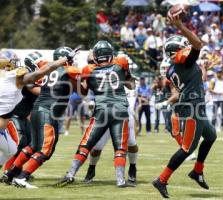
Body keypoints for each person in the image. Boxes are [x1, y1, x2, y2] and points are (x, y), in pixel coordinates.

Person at [55, 41, 136, 188]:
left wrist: (75, 77)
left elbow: (84, 92)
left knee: (86, 143)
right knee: (120, 147)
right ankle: (120, 180)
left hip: (101, 109)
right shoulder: (121, 62)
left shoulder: (88, 69)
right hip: (120, 109)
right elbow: (131, 84)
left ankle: (70, 174)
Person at [152, 14, 216, 198]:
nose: (188, 48)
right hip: (192, 108)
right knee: (187, 148)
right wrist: (180, 25)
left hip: (195, 105)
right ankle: (161, 179)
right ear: (178, 51)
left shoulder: (174, 68)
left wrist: (204, 70)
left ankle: (197, 171)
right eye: (184, 47)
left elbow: (193, 77)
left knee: (211, 136)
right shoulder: (182, 63)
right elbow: (197, 44)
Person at [3, 47, 81, 188]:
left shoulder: (49, 69)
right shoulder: (68, 70)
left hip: (38, 110)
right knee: (46, 149)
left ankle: (10, 173)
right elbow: (81, 90)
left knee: (32, 146)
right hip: (48, 112)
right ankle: (22, 177)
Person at [84, 87, 138, 185]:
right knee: (96, 148)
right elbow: (92, 99)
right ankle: (91, 168)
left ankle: (133, 167)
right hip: (105, 115)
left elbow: (131, 99)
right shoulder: (102, 79)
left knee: (131, 144)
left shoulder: (127, 81)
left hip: (123, 114)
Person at [2, 52, 42, 174]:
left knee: (28, 143)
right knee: (19, 143)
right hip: (13, 115)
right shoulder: (20, 74)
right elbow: (34, 89)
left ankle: (15, 169)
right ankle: (9, 170)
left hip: (22, 114)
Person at [209, 67, 223, 131]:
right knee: (214, 114)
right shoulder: (213, 80)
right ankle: (212, 127)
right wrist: (218, 93)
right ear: (216, 73)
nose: (220, 74)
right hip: (216, 99)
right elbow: (210, 89)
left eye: (221, 72)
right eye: (219, 72)